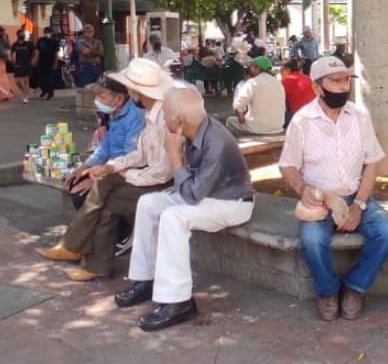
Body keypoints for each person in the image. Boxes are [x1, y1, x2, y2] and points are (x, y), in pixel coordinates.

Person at [115, 85, 255, 331]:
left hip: (232, 203)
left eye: (165, 114)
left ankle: (178, 301)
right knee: (148, 203)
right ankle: (145, 280)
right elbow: (192, 187)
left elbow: (191, 195)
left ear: (178, 120)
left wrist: (174, 156)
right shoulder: (191, 130)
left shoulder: (216, 141)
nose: (161, 119)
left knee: (173, 217)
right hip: (205, 195)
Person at [280, 56, 388, 321]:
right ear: (316, 87)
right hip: (320, 199)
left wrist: (359, 205)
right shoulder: (301, 122)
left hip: (357, 195)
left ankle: (355, 287)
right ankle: (327, 291)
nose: (343, 87)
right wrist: (303, 190)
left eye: (346, 80)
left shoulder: (359, 116)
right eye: (335, 81)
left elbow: (371, 164)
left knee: (387, 233)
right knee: (312, 240)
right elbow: (287, 166)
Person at [35, 71, 169, 281]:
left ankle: (78, 249)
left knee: (102, 197)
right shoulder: (144, 115)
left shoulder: (150, 117)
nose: (98, 100)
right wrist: (96, 167)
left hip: (153, 179)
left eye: (103, 96)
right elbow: (121, 149)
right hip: (134, 171)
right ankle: (84, 255)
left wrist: (114, 172)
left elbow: (158, 170)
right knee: (94, 190)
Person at [226, 56, 286, 136]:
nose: (250, 69)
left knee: (230, 121)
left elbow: (238, 105)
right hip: (278, 127)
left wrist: (241, 118)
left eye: (251, 66)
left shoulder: (253, 82)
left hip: (258, 128)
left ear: (257, 68)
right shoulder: (278, 83)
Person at [281, 57, 316, 127]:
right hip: (313, 114)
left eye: (282, 69)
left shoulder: (285, 81)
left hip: (297, 116)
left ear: (287, 69)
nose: (281, 72)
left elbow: (282, 103)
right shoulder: (308, 78)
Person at [33, 27, 60, 100]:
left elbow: (56, 53)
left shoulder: (54, 42)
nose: (47, 33)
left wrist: (55, 63)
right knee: (41, 78)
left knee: (50, 79)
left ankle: (50, 93)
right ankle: (44, 90)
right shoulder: (40, 40)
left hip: (50, 62)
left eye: (49, 32)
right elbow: (37, 51)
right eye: (46, 32)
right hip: (41, 62)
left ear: (51, 33)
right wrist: (35, 60)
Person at [10, 29, 34, 103]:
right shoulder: (15, 44)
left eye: (23, 34)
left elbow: (35, 51)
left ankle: (26, 96)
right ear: (18, 35)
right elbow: (12, 53)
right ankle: (24, 92)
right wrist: (13, 60)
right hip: (18, 64)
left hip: (26, 64)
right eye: (21, 34)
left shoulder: (28, 44)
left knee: (26, 80)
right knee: (17, 81)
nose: (22, 35)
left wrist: (33, 60)